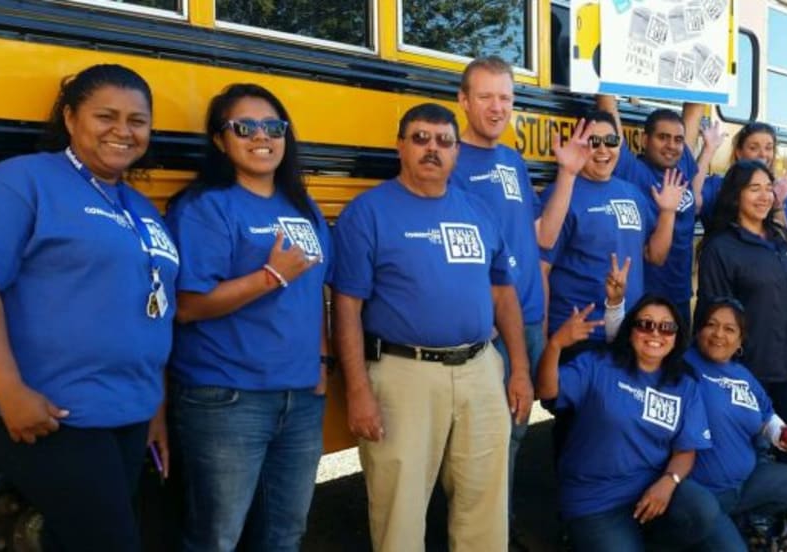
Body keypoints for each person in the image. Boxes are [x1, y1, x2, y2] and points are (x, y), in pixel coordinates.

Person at [0, 64, 179, 551]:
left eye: (137, 120)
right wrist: (9, 391)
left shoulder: (139, 207)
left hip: (128, 412)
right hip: (54, 414)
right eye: (106, 116)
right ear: (70, 118)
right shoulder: (24, 181)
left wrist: (155, 407)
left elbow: (153, 310)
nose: (123, 130)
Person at [332, 102, 533, 552]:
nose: (432, 149)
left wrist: (519, 369)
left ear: (457, 152)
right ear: (400, 146)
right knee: (399, 511)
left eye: (444, 141)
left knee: (484, 507)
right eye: (420, 138)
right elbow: (346, 308)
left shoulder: (478, 211)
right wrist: (358, 389)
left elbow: (504, 295)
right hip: (404, 374)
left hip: (481, 369)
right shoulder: (368, 213)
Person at [165, 83, 331, 551]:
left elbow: (316, 293)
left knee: (285, 533)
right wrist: (270, 276)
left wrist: (321, 364)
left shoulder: (304, 207)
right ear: (220, 140)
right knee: (217, 537)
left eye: (274, 127)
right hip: (228, 398)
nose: (262, 136)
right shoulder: (206, 207)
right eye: (245, 127)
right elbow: (188, 306)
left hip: (300, 398)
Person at [450, 56, 588, 542]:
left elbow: (541, 236)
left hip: (527, 318)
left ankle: (497, 529)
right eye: (485, 96)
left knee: (514, 431)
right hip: (489, 326)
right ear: (463, 101)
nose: (497, 107)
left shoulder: (511, 160)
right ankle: (482, 534)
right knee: (482, 440)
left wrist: (567, 174)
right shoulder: (451, 161)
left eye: (505, 98)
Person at [696, 160, 787, 531]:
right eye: (753, 188)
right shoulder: (721, 248)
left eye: (768, 187)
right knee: (749, 448)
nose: (764, 196)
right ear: (736, 195)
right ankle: (749, 517)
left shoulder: (786, 243)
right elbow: (713, 313)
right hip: (746, 370)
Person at [537, 294, 717, 551]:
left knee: (701, 509)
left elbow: (686, 450)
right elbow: (546, 391)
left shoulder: (683, 384)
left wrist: (668, 482)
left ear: (677, 336)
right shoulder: (598, 364)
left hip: (650, 489)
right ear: (630, 330)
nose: (655, 333)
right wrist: (555, 344)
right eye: (645, 324)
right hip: (595, 500)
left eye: (667, 327)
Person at [540, 109, 685, 345]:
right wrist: (543, 339)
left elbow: (655, 256)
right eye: (593, 142)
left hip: (628, 332)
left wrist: (668, 213)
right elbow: (541, 269)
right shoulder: (560, 195)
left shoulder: (633, 194)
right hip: (578, 333)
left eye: (611, 141)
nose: (603, 149)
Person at [685, 297, 787, 551]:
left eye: (729, 329)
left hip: (745, 485)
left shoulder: (742, 375)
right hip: (704, 495)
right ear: (698, 331)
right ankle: (702, 530)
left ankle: (739, 520)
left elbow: (767, 414)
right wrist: (614, 306)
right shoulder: (682, 365)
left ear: (740, 341)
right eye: (711, 325)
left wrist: (780, 434)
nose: (719, 334)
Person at [597, 95, 702, 326]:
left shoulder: (682, 165)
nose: (671, 145)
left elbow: (696, 105)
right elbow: (607, 105)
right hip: (647, 296)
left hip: (681, 295)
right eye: (662, 137)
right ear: (645, 140)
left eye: (678, 140)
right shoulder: (631, 170)